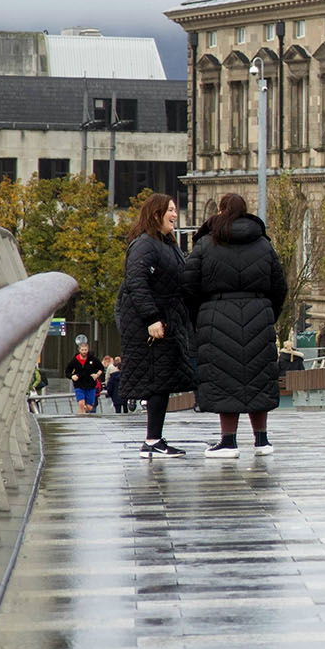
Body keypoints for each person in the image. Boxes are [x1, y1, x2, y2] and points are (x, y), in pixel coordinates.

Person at [182, 192, 287, 459]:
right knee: (258, 377)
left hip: (216, 316)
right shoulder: (264, 244)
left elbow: (189, 286)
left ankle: (228, 442)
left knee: (223, 378)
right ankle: (261, 440)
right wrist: (267, 314)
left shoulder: (205, 244)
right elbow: (279, 286)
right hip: (258, 316)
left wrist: (201, 318)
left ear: (220, 210)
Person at [116, 193, 196, 458]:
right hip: (151, 325)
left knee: (161, 381)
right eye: (170, 210)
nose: (175, 214)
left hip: (167, 320)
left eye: (175, 209)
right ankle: (152, 441)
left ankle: (154, 439)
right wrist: (151, 319)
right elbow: (136, 283)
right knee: (156, 381)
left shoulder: (167, 244)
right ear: (155, 215)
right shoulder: (145, 245)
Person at [68, 346, 103, 414]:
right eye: (82, 350)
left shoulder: (93, 359)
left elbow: (101, 368)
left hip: (90, 385)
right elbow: (67, 371)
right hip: (79, 385)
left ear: (88, 350)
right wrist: (72, 376)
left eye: (85, 350)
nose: (84, 351)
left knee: (89, 407)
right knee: (81, 403)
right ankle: (81, 418)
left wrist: (97, 375)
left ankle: (85, 410)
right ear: (79, 350)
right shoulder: (74, 360)